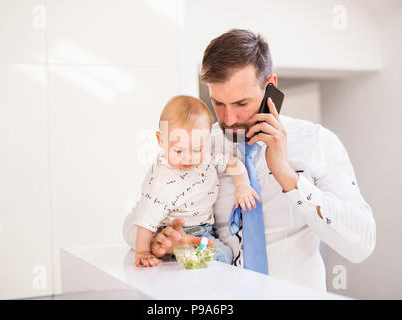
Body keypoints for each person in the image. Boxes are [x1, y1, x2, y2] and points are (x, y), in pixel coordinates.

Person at [123, 29, 376, 290]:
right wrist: (161, 240)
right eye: (218, 103)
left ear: (271, 86)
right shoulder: (196, 147)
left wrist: (288, 178)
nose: (229, 119)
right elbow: (132, 225)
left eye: (241, 103)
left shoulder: (316, 142)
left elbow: (361, 244)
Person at [133, 95, 260, 267]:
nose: (188, 158)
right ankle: (171, 248)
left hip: (205, 229)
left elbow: (233, 164)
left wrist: (242, 185)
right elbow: (145, 221)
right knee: (223, 256)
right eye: (178, 150)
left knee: (224, 254)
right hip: (176, 232)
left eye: (196, 149)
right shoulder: (159, 181)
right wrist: (143, 251)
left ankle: (177, 253)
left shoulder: (207, 158)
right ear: (160, 141)